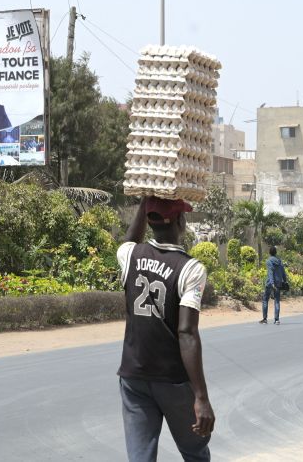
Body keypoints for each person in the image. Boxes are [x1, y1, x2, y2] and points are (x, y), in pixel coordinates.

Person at [116, 196, 214, 461]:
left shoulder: (129, 256)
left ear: (149, 220)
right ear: (181, 222)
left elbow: (129, 238)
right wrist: (201, 397)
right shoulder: (191, 269)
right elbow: (186, 333)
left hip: (133, 376)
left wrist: (145, 202)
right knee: (195, 453)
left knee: (140, 457)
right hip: (172, 380)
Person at [260, 246, 287, 325]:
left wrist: (272, 283)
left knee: (265, 300)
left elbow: (270, 272)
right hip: (278, 283)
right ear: (275, 252)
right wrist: (285, 281)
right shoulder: (279, 261)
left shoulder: (268, 261)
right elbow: (283, 272)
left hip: (270, 283)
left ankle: (265, 319)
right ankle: (277, 320)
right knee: (277, 301)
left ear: (269, 252)